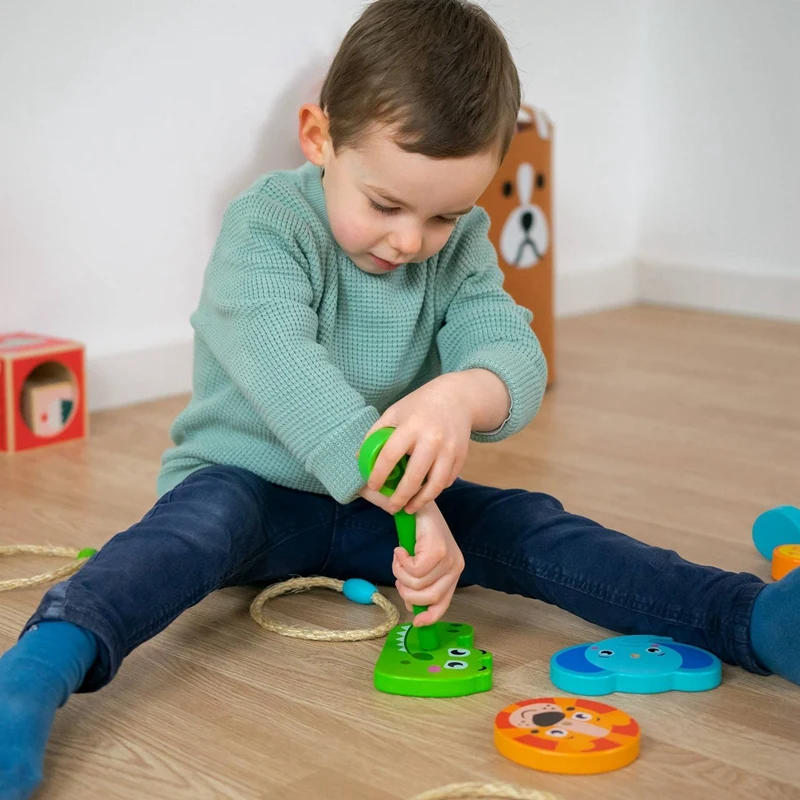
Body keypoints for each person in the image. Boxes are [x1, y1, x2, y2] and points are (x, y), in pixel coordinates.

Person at [1, 1, 796, 797]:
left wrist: (461, 396)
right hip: (249, 487)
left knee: (532, 525)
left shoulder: (463, 247)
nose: (412, 240)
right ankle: (36, 669)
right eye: (386, 205)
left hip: (388, 503)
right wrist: (418, 506)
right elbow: (294, 385)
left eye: (445, 214)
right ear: (319, 139)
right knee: (183, 537)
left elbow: (512, 352)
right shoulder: (267, 228)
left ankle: (750, 618)